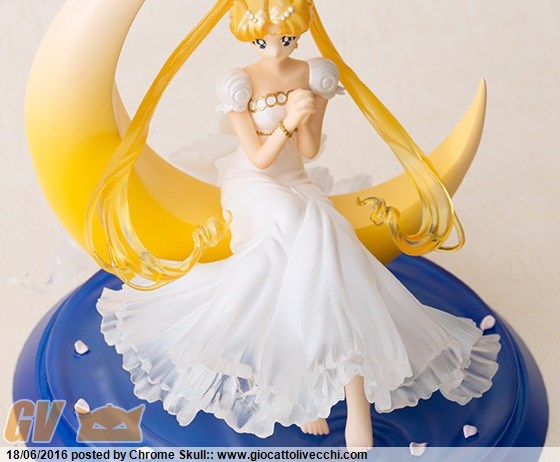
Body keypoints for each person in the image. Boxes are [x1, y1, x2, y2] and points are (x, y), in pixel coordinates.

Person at [90, 0, 500, 450]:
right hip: (252, 185)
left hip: (296, 182)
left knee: (329, 237)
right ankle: (321, 393)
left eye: (286, 39)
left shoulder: (313, 74)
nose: (276, 48)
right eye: (264, 40)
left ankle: (342, 395)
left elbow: (308, 151)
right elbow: (258, 157)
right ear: (249, 36)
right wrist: (287, 121)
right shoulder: (240, 84)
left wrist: (307, 115)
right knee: (303, 228)